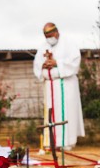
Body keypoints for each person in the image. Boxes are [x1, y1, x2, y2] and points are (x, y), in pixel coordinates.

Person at [33, 22, 85, 151]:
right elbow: (37, 63)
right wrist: (43, 66)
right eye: (47, 36)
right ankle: (52, 141)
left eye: (51, 35)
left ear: (56, 32)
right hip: (50, 85)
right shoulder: (43, 47)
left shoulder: (69, 43)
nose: (49, 38)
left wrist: (57, 63)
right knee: (51, 113)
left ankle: (67, 142)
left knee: (67, 113)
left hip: (66, 85)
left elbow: (75, 61)